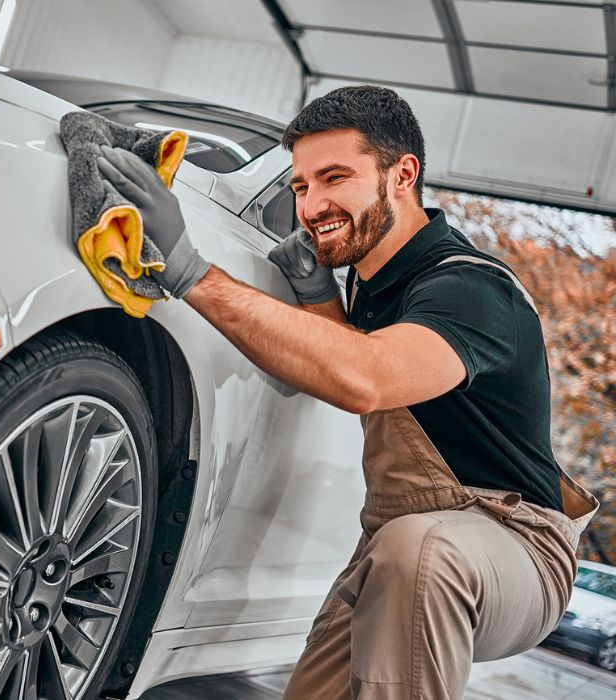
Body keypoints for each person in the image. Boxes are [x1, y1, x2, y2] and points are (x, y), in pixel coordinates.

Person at [96, 85, 598, 699]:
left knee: (421, 553)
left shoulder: (470, 289)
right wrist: (322, 299)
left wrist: (190, 271)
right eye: (301, 186)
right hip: (393, 542)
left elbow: (369, 379)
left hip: (513, 547)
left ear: (402, 175)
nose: (312, 205)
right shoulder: (369, 277)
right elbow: (362, 374)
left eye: (335, 177)